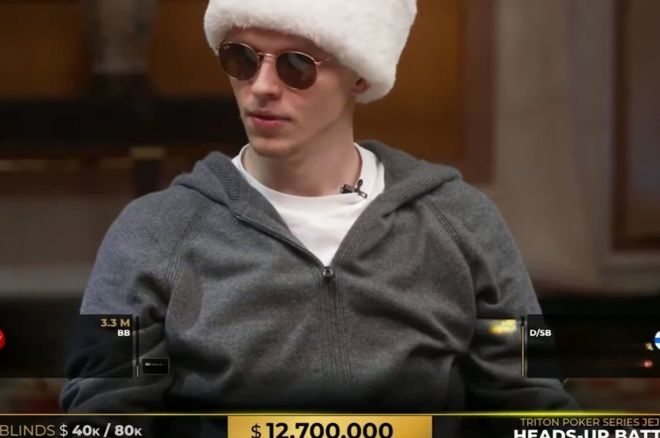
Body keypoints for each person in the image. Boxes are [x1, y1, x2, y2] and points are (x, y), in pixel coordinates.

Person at [61, 0, 577, 427]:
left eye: (296, 65)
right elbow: (104, 414)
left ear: (360, 76)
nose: (262, 86)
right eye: (242, 59)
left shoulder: (461, 220)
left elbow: (531, 401)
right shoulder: (151, 233)